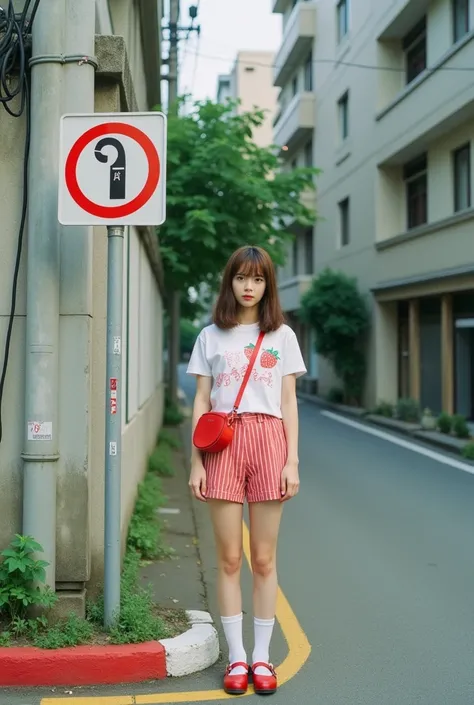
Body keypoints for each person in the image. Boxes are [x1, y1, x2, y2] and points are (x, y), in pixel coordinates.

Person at [186, 245, 306, 696]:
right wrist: (196, 461)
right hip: (223, 445)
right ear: (230, 282)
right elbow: (202, 400)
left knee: (263, 558)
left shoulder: (282, 336)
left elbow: (289, 403)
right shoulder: (210, 335)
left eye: (257, 279)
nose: (249, 286)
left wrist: (291, 459)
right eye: (241, 278)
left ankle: (262, 657)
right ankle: (237, 657)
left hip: (269, 442)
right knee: (230, 558)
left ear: (267, 284)